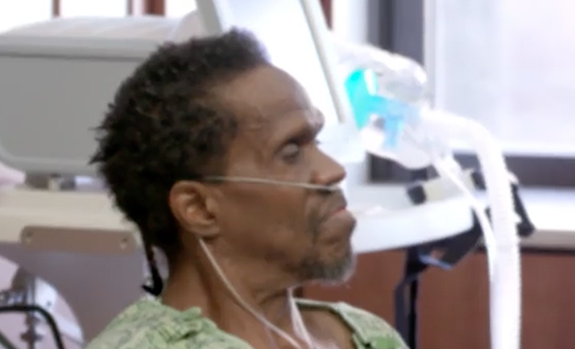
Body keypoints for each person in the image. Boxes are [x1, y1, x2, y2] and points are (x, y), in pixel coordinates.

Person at [87, 29, 405, 349]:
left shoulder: (364, 336)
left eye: (316, 141)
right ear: (199, 208)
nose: (333, 171)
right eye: (291, 152)